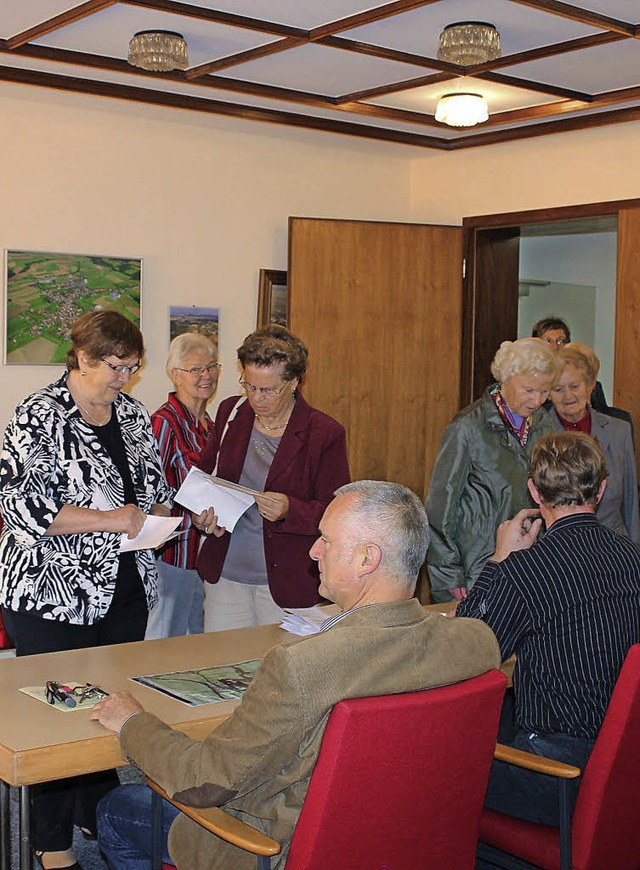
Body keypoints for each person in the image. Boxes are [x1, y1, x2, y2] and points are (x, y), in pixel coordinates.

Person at [91, 480, 501, 870]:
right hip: (412, 840)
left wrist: (133, 722)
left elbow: (205, 780)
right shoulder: (476, 644)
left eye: (326, 540)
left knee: (119, 806)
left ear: (366, 559)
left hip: (281, 849)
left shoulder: (303, 665)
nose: (313, 553)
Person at [0, 310, 172, 870]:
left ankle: (98, 817)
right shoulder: (38, 416)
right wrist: (109, 518)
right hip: (52, 591)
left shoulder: (132, 414)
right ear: (83, 358)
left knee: (106, 713)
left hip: (122, 587)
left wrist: (177, 514)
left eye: (132, 367)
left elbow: (154, 488)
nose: (125, 379)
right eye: (117, 368)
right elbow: (23, 509)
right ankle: (51, 848)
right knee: (57, 722)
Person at [456, 431, 640, 825]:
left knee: (439, 764)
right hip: (623, 764)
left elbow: (469, 649)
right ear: (602, 489)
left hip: (555, 775)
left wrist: (499, 559)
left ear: (534, 492)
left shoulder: (527, 569)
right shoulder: (632, 557)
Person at [194, 324, 350, 631]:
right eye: (249, 386)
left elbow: (337, 511)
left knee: (280, 672)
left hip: (287, 582)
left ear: (293, 382)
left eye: (268, 390)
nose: (256, 399)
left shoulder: (324, 433)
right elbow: (205, 475)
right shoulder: (230, 412)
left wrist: (291, 509)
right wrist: (202, 515)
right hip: (225, 575)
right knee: (220, 670)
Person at [426, 337, 559, 603]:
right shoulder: (467, 428)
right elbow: (440, 508)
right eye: (529, 390)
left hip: (530, 566)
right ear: (506, 378)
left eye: (545, 392)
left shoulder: (545, 425)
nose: (537, 400)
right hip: (475, 568)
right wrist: (448, 574)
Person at [145, 333, 220, 639]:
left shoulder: (211, 425)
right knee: (162, 643)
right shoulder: (163, 422)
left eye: (212, 367)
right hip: (172, 556)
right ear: (175, 375)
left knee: (193, 644)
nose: (207, 376)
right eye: (196, 369)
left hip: (204, 557)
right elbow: (150, 490)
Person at [549, 343, 639, 542]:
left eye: (574, 386)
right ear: (548, 393)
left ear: (590, 386)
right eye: (558, 389)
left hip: (614, 546)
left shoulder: (619, 430)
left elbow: (631, 500)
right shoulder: (541, 432)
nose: (568, 396)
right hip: (560, 551)